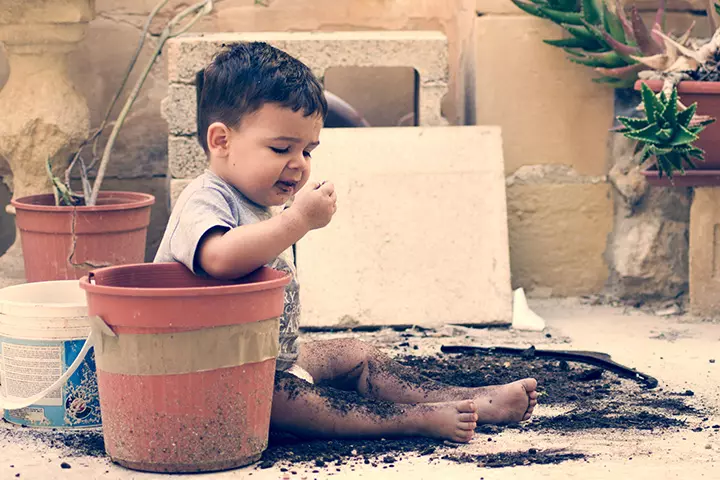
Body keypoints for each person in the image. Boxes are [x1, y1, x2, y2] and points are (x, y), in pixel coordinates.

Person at [154, 41, 538, 443]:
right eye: (282, 148)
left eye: (308, 150)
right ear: (221, 141)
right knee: (297, 399)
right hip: (213, 382)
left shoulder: (255, 201)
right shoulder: (205, 197)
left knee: (356, 353)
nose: (299, 163)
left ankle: (469, 399)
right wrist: (298, 220)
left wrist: (290, 219)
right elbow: (218, 258)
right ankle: (413, 419)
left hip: (269, 363)